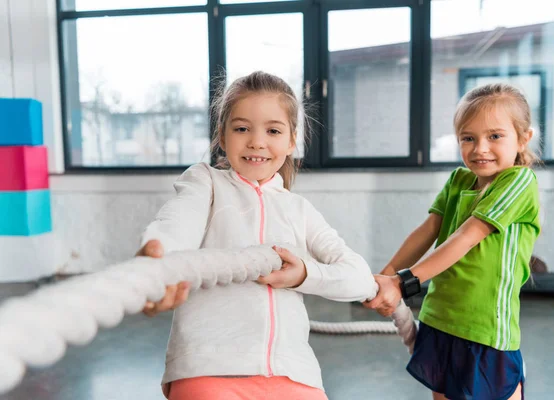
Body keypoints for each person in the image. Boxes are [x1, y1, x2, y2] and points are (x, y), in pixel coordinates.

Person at [135, 71, 402, 400]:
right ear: (222, 134)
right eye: (242, 128)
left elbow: (358, 278)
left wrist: (303, 274)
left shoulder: (299, 210)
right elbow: (177, 222)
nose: (256, 141)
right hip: (209, 369)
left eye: (273, 130)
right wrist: (158, 257)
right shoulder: (205, 183)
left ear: (291, 141)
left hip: (293, 373)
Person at [365, 83, 541, 400]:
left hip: (486, 329)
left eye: (495, 136)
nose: (480, 148)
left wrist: (403, 282)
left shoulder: (518, 181)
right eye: (468, 138)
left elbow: (467, 236)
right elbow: (428, 229)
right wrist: (387, 275)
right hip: (440, 317)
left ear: (523, 138)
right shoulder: (458, 180)